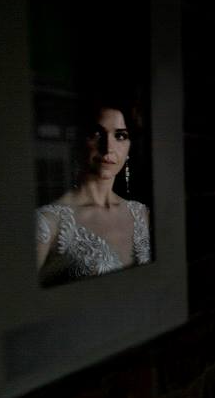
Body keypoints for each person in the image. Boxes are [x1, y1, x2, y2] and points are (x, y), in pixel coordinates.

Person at [36, 100, 152, 286]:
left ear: (129, 146)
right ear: (79, 140)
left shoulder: (141, 213)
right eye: (97, 133)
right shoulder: (49, 223)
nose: (108, 147)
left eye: (120, 136)